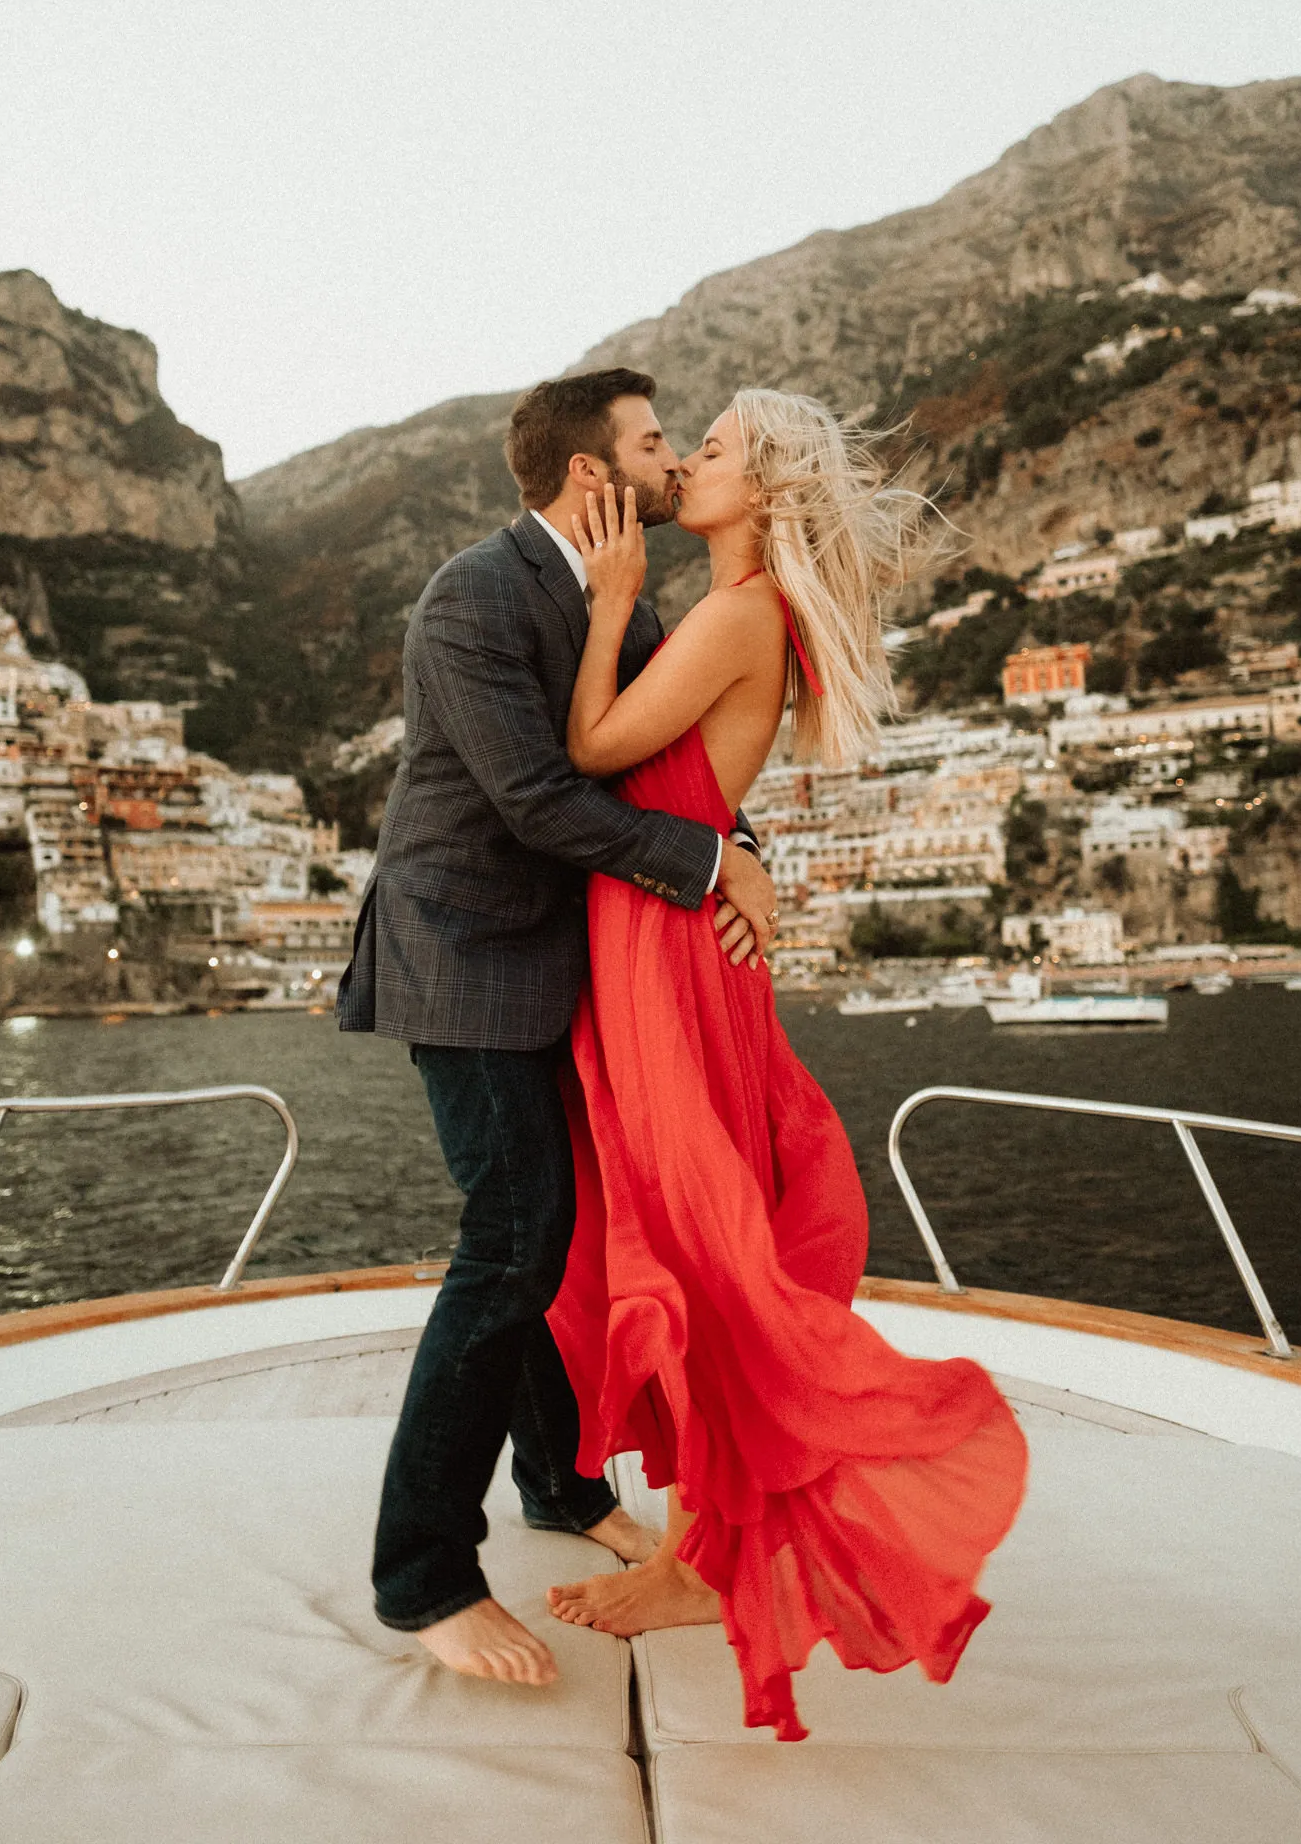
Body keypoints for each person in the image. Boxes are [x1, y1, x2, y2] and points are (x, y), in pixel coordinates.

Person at [543, 389, 1029, 1741]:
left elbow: (592, 755)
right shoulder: (736, 615)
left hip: (658, 950)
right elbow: (696, 787)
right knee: (697, 1229)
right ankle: (695, 1551)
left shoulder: (736, 613)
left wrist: (601, 604)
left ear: (760, 490)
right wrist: (734, 853)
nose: (691, 462)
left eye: (712, 449)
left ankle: (703, 1565)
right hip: (667, 934)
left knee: (703, 1238)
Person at [336, 368, 779, 1688]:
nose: (666, 462)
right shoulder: (474, 596)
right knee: (517, 1231)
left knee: (567, 1225)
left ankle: (557, 1479)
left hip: (566, 961)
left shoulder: (618, 600)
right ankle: (419, 1575)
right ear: (595, 473)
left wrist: (741, 844)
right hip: (460, 953)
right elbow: (536, 801)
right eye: (652, 445)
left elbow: (665, 762)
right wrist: (709, 873)